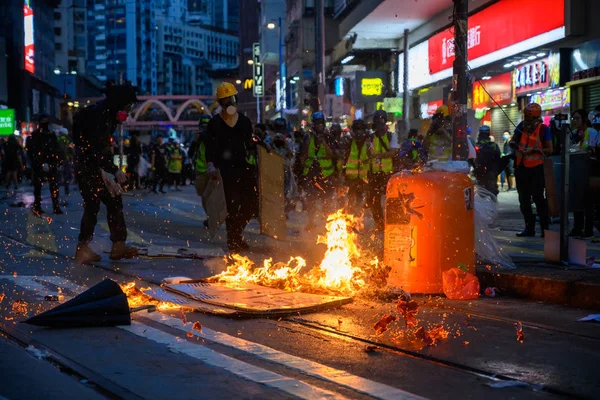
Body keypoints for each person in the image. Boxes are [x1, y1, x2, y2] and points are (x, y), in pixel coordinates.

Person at [72, 81, 139, 263]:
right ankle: (88, 247)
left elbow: (101, 148)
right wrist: (113, 170)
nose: (129, 108)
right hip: (89, 166)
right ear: (121, 101)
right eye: (129, 104)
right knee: (95, 205)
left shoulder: (108, 114)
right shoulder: (100, 115)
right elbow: (95, 149)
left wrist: (108, 168)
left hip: (92, 165)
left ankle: (115, 245)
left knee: (111, 201)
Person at [205, 82, 258, 252]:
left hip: (243, 168)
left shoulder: (244, 121)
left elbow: (250, 144)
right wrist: (211, 165)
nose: (229, 104)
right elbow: (210, 148)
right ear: (220, 103)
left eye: (232, 99)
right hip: (225, 171)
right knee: (232, 206)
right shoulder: (215, 123)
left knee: (251, 204)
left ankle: (237, 233)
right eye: (225, 101)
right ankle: (233, 239)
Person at [510, 102, 553, 237]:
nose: (526, 120)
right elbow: (513, 141)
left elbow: (549, 149)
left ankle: (545, 230)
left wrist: (533, 150)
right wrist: (514, 145)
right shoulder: (521, 127)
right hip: (521, 168)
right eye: (525, 117)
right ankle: (529, 228)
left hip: (536, 169)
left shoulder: (543, 129)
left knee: (539, 199)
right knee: (523, 200)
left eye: (529, 118)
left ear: (535, 117)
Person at [300, 111, 336, 231]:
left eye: (321, 123)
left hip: (326, 175)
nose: (319, 126)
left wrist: (324, 144)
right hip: (311, 174)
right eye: (317, 123)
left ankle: (328, 223)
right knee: (311, 200)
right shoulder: (307, 137)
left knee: (327, 201)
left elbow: (333, 155)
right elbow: (302, 155)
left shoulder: (329, 137)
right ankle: (311, 221)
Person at [569, 109, 599, 237]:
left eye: (577, 118)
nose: (575, 121)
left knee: (588, 202)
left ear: (584, 119)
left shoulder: (591, 132)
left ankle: (588, 229)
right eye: (573, 119)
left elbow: (594, 151)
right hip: (576, 171)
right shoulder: (574, 133)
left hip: (589, 171)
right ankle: (577, 227)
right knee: (577, 201)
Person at [367, 110, 398, 232]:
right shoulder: (370, 137)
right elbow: (369, 154)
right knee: (373, 200)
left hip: (387, 173)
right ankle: (379, 223)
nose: (379, 123)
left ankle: (391, 223)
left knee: (390, 199)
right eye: (377, 120)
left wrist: (379, 156)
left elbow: (393, 152)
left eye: (381, 120)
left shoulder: (390, 136)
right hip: (374, 173)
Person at [26, 115, 63, 215]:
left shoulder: (51, 134)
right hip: (40, 165)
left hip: (49, 164)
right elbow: (31, 151)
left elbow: (56, 149)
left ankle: (54, 207)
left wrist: (57, 161)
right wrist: (36, 163)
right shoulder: (36, 135)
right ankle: (38, 207)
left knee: (53, 187)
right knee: (39, 188)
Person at [188, 114, 212, 228]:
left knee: (211, 196)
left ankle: (213, 217)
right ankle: (210, 217)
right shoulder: (197, 139)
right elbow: (190, 153)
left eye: (207, 127)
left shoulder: (214, 138)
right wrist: (195, 141)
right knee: (204, 196)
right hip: (200, 171)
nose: (204, 129)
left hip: (213, 172)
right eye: (202, 127)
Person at [344, 119, 370, 213]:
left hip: (364, 178)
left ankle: (358, 220)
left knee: (361, 202)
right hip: (351, 178)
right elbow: (343, 160)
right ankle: (350, 218)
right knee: (350, 200)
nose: (359, 132)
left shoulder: (368, 144)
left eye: (361, 129)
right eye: (357, 129)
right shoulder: (349, 143)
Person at [474, 125, 501, 195]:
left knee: (481, 191)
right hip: (491, 171)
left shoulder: (476, 146)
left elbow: (472, 158)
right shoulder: (494, 145)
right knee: (492, 192)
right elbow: (498, 158)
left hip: (480, 171)